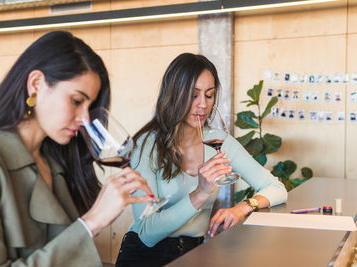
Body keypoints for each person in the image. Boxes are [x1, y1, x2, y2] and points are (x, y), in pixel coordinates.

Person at [0, 31, 153, 266]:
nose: (84, 119)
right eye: (77, 101)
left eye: (89, 107)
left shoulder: (56, 162)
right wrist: (92, 222)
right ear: (36, 84)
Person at [116, 53, 288, 266]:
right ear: (173, 94)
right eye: (193, 94)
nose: (202, 105)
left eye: (209, 95)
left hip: (193, 255)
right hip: (144, 257)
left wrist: (244, 206)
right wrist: (200, 193)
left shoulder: (218, 141)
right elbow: (146, 232)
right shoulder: (146, 145)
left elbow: (276, 187)